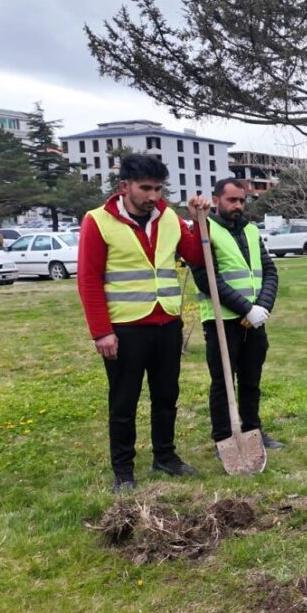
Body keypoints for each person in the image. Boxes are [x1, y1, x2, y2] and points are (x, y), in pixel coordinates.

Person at [77, 154, 211, 494]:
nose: (153, 196)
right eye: (146, 188)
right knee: (124, 401)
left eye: (158, 188)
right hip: (126, 328)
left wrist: (200, 222)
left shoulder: (169, 218)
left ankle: (165, 457)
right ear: (125, 186)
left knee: (166, 396)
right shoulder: (98, 221)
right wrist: (101, 332)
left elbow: (196, 256)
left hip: (167, 323)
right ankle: (123, 470)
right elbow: (89, 280)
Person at [191, 178, 284, 455]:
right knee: (223, 383)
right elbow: (206, 279)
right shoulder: (205, 230)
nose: (238, 205)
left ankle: (253, 430)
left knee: (251, 379)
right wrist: (245, 308)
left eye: (242, 200)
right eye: (232, 200)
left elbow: (269, 271)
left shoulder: (251, 231)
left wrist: (261, 307)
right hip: (222, 320)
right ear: (216, 200)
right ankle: (224, 438)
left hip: (255, 319)